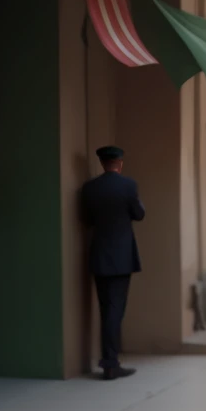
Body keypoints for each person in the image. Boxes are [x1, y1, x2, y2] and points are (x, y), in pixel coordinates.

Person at [81, 145, 144, 380]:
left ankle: (109, 360)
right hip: (121, 258)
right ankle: (110, 363)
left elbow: (87, 219)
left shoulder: (90, 188)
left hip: (99, 255)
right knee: (115, 311)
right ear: (120, 163)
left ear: (102, 163)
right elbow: (138, 213)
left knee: (105, 308)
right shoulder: (128, 186)